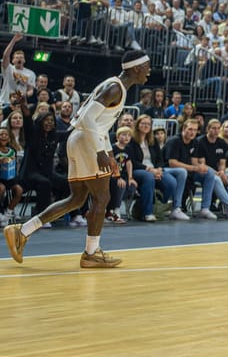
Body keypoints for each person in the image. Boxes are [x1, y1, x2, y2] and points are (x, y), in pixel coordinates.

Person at [4, 51, 151, 267]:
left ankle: (22, 231)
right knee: (102, 198)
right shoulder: (114, 88)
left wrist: (108, 153)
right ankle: (91, 254)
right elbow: (88, 118)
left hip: (80, 140)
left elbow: (99, 124)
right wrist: (100, 151)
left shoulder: (114, 86)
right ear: (136, 68)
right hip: (87, 141)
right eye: (146, 66)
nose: (149, 71)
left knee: (77, 199)